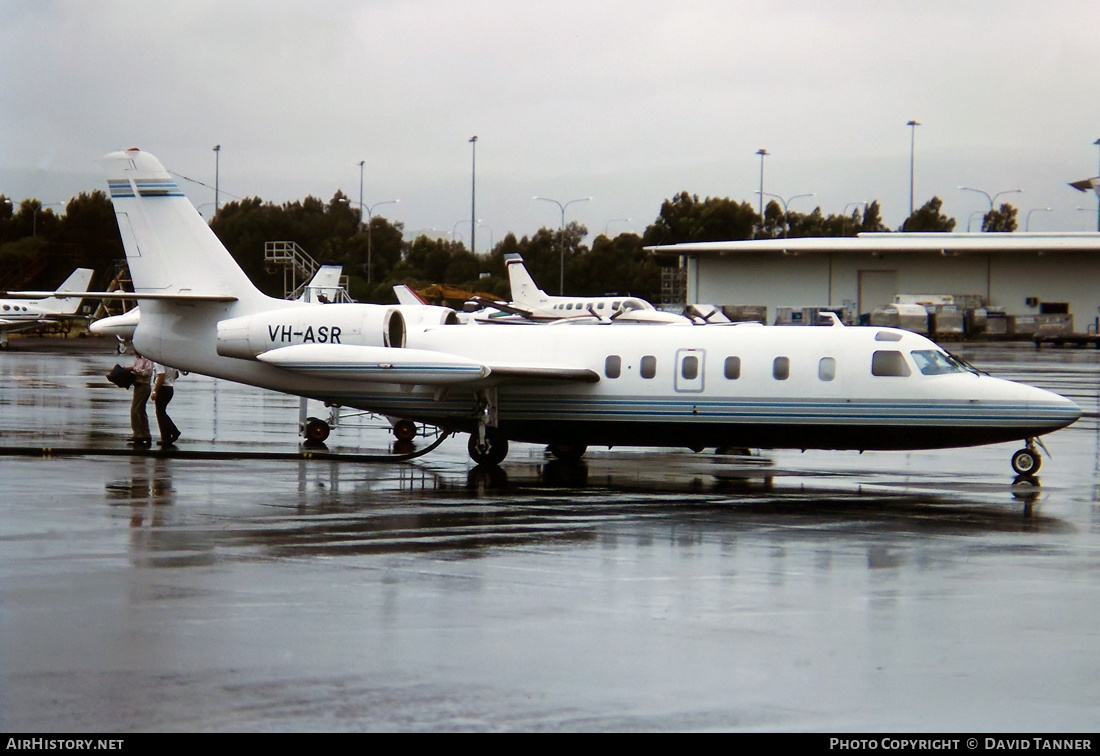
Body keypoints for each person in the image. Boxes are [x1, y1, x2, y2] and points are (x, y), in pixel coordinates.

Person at [128, 350, 154, 445]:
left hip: (144, 385)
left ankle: (138, 434)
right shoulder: (136, 359)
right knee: (141, 410)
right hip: (137, 385)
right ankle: (145, 433)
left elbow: (147, 372)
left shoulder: (148, 359)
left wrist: (134, 370)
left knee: (135, 410)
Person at [152, 362, 181, 446]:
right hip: (170, 387)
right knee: (161, 412)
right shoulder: (169, 360)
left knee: (160, 412)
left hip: (163, 388)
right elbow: (176, 375)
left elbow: (161, 375)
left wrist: (155, 391)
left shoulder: (158, 362)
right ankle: (166, 436)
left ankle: (172, 432)